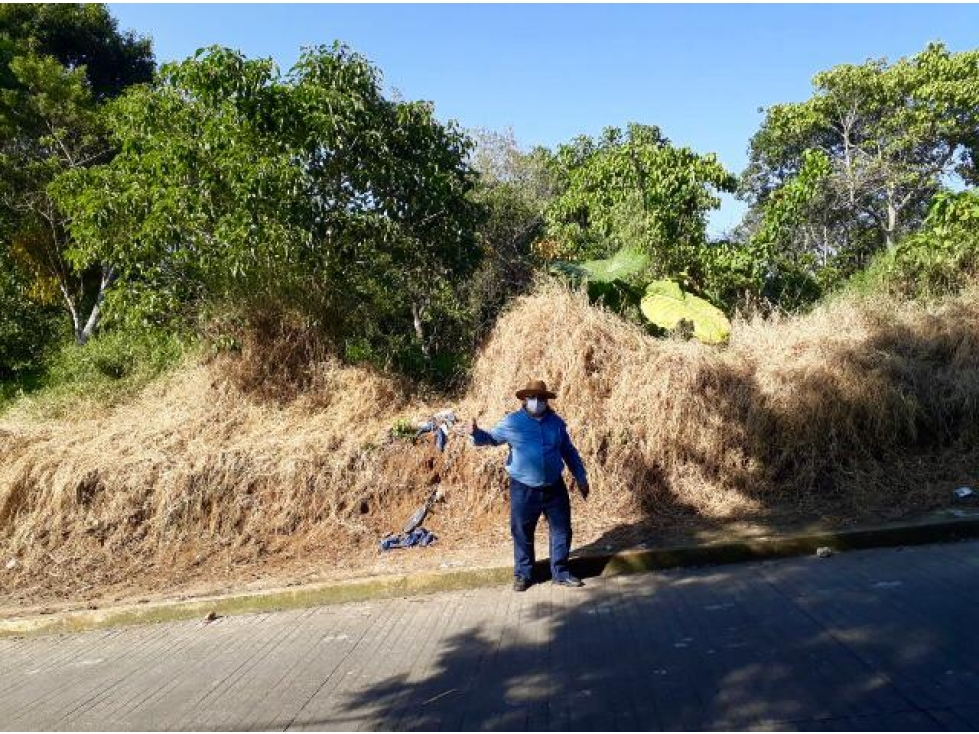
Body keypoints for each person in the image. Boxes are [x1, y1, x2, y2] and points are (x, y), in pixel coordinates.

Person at [467, 379, 589, 591]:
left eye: (540, 398)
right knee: (522, 531)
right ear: (524, 399)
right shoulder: (512, 422)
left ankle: (560, 572)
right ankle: (524, 575)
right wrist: (476, 432)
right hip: (523, 488)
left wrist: (580, 476)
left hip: (554, 486)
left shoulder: (556, 424)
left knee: (561, 531)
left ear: (546, 400)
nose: (536, 401)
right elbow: (491, 438)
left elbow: (569, 451)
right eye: (531, 397)